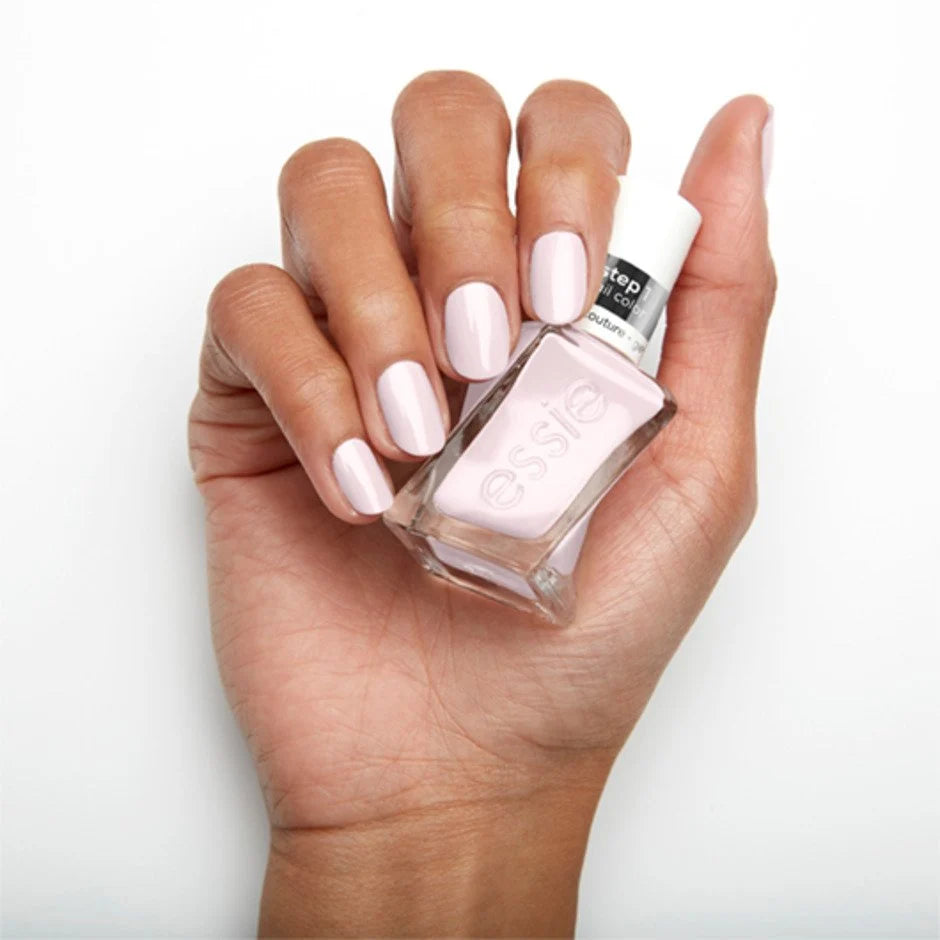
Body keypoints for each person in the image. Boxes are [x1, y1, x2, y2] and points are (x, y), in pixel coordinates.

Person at [187, 71, 776, 937]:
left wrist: (494, 806)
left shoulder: (631, 387)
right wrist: (392, 835)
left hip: (495, 587)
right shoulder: (543, 341)